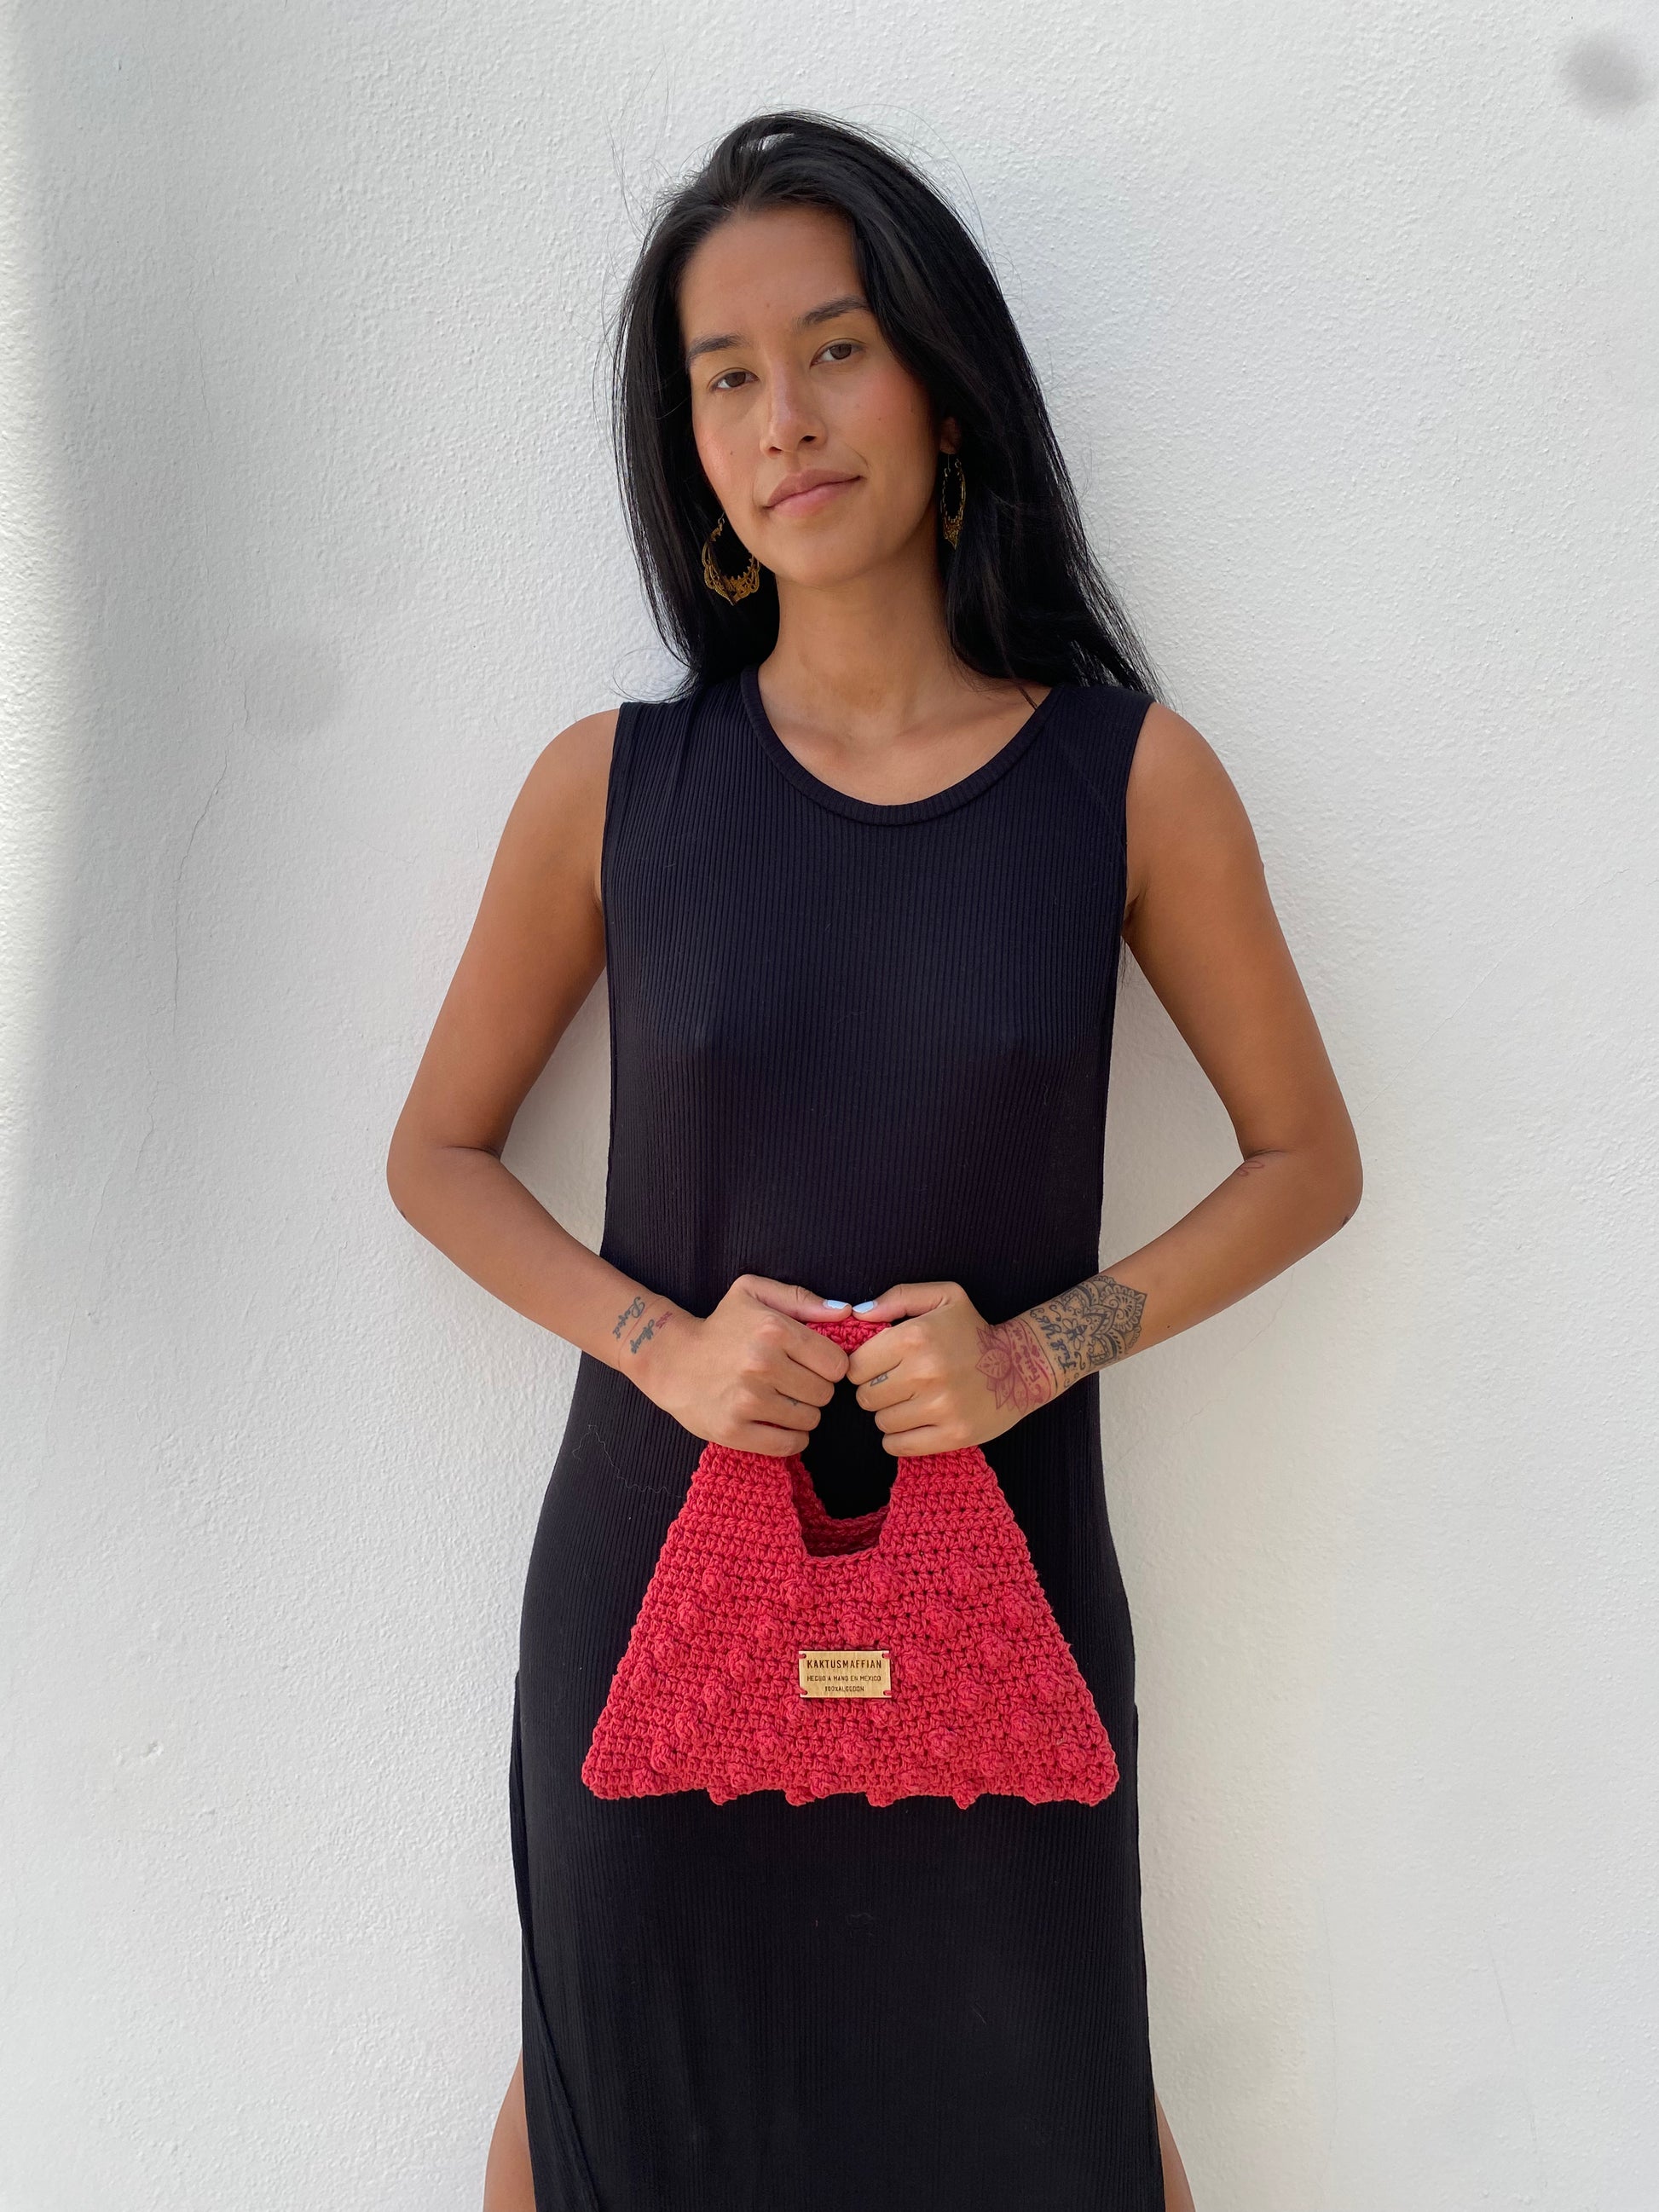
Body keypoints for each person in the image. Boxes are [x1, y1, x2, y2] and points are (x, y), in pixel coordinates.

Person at [386, 109, 1361, 2212]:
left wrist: (1035, 1350)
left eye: (832, 350)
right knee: (608, 2119)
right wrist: (655, 1344)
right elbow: (437, 1153)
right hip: (659, 1586)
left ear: (941, 386)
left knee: (1057, 2125)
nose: (782, 418)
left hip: (997, 1583)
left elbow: (1304, 1159)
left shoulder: (1126, 778)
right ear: (689, 450)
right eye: (724, 377)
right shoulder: (612, 789)